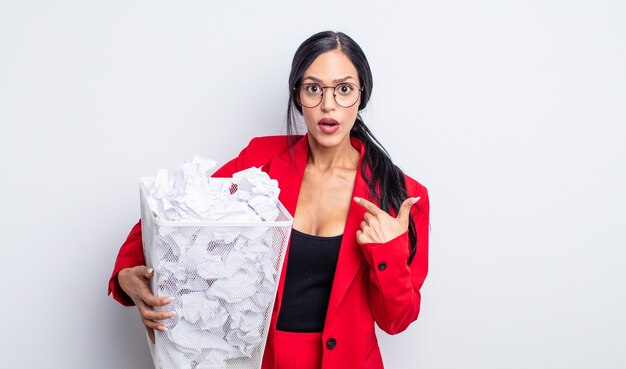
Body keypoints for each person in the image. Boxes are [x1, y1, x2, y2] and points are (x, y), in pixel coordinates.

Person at [109, 30, 429, 369]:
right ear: (297, 95)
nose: (328, 104)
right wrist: (126, 271)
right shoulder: (259, 161)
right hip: (259, 361)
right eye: (313, 88)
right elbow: (177, 213)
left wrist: (388, 253)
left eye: (344, 89)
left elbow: (396, 321)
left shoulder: (401, 195)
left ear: (362, 96)